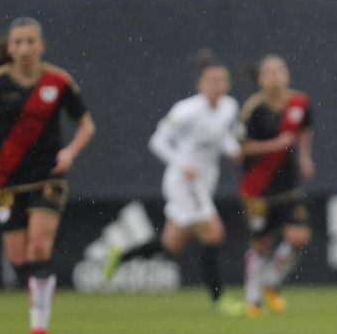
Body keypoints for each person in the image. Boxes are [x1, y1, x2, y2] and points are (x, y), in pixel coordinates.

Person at [0, 16, 96, 334]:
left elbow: (86, 124)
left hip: (47, 176)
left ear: (41, 46)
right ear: (10, 48)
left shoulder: (58, 81)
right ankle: (38, 302)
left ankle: (39, 330)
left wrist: (70, 152)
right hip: (8, 180)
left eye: (30, 42)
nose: (24, 48)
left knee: (39, 247)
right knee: (18, 256)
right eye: (18, 42)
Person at [103, 50, 244, 316]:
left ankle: (121, 256)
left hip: (204, 183)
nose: (218, 86)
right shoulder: (186, 110)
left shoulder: (229, 107)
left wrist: (233, 149)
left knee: (172, 244)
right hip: (183, 182)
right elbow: (157, 142)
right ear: (200, 85)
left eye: (222, 80)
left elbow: (223, 135)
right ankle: (219, 300)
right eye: (211, 81)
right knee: (214, 233)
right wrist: (182, 164)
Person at [237, 55, 314, 317]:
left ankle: (271, 279)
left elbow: (304, 130)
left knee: (299, 237)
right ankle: (253, 297)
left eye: (280, 70)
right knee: (261, 245)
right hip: (258, 187)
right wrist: (274, 145)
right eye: (269, 72)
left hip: (289, 184)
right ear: (260, 79)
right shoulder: (252, 109)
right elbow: (240, 149)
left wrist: (305, 156)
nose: (275, 76)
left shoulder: (299, 102)